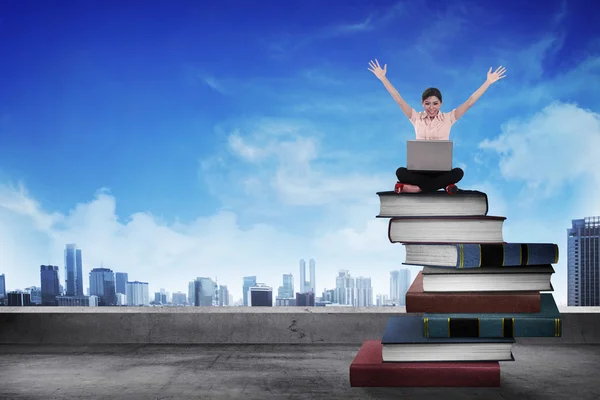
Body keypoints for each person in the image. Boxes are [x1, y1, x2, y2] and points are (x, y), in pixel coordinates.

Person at [368, 59, 506, 194]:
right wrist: (383, 78)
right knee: (400, 172)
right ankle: (443, 186)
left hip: (441, 171)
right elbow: (398, 99)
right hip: (420, 172)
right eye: (427, 103)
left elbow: (469, 102)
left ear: (441, 103)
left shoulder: (449, 118)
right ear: (422, 103)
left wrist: (488, 82)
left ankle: (417, 189)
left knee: (458, 172)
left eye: (435, 103)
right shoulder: (416, 118)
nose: (431, 107)